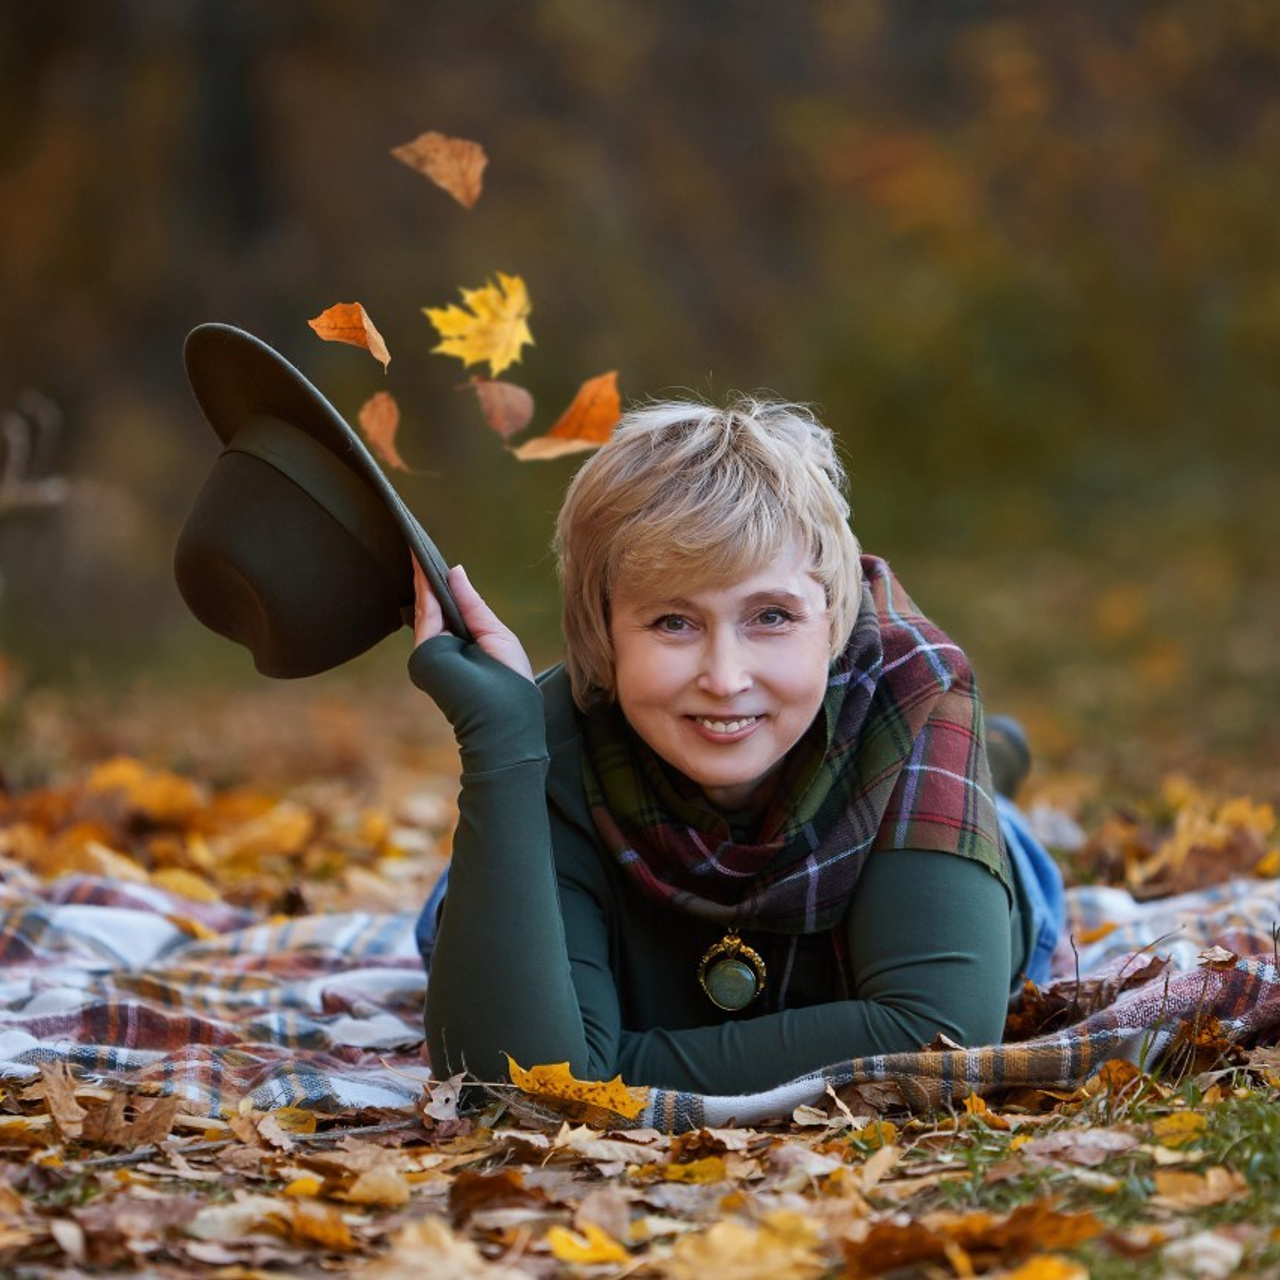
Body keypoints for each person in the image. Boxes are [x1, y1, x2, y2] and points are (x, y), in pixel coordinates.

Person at [408, 396, 1063, 1096]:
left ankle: (992, 765)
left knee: (1003, 839)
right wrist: (501, 747)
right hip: (630, 800)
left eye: (771, 616)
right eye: (673, 622)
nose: (724, 678)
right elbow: (507, 1080)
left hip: (880, 806)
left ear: (834, 618)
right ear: (603, 632)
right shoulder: (552, 734)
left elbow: (938, 1037)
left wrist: (606, 1066)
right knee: (455, 913)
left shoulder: (913, 696)